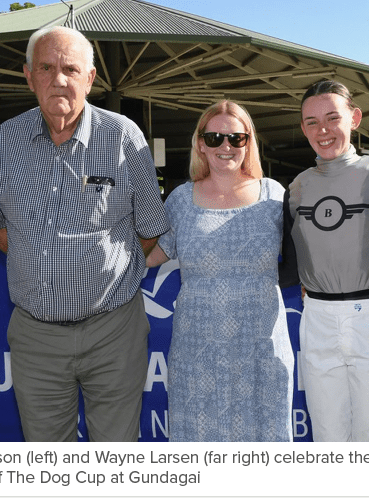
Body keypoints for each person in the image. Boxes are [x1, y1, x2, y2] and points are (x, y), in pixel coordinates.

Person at [0, 26, 169, 442]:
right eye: (47, 68)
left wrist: (102, 267)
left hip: (115, 332)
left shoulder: (124, 137)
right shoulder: (5, 140)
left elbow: (148, 230)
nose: (59, 79)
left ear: (90, 78)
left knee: (115, 463)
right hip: (36, 337)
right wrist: (32, 251)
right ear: (28, 75)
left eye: (71, 69)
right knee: (49, 466)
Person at [145, 100, 294, 442]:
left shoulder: (275, 195)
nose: (225, 147)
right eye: (214, 139)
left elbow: (309, 255)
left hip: (262, 351)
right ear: (200, 143)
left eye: (236, 138)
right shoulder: (180, 200)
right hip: (198, 354)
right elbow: (150, 255)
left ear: (248, 141)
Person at [283, 80, 369, 442]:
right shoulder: (296, 187)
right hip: (317, 321)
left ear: (355, 118)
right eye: (311, 122)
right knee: (328, 440)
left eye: (332, 118)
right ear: (303, 128)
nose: (322, 130)